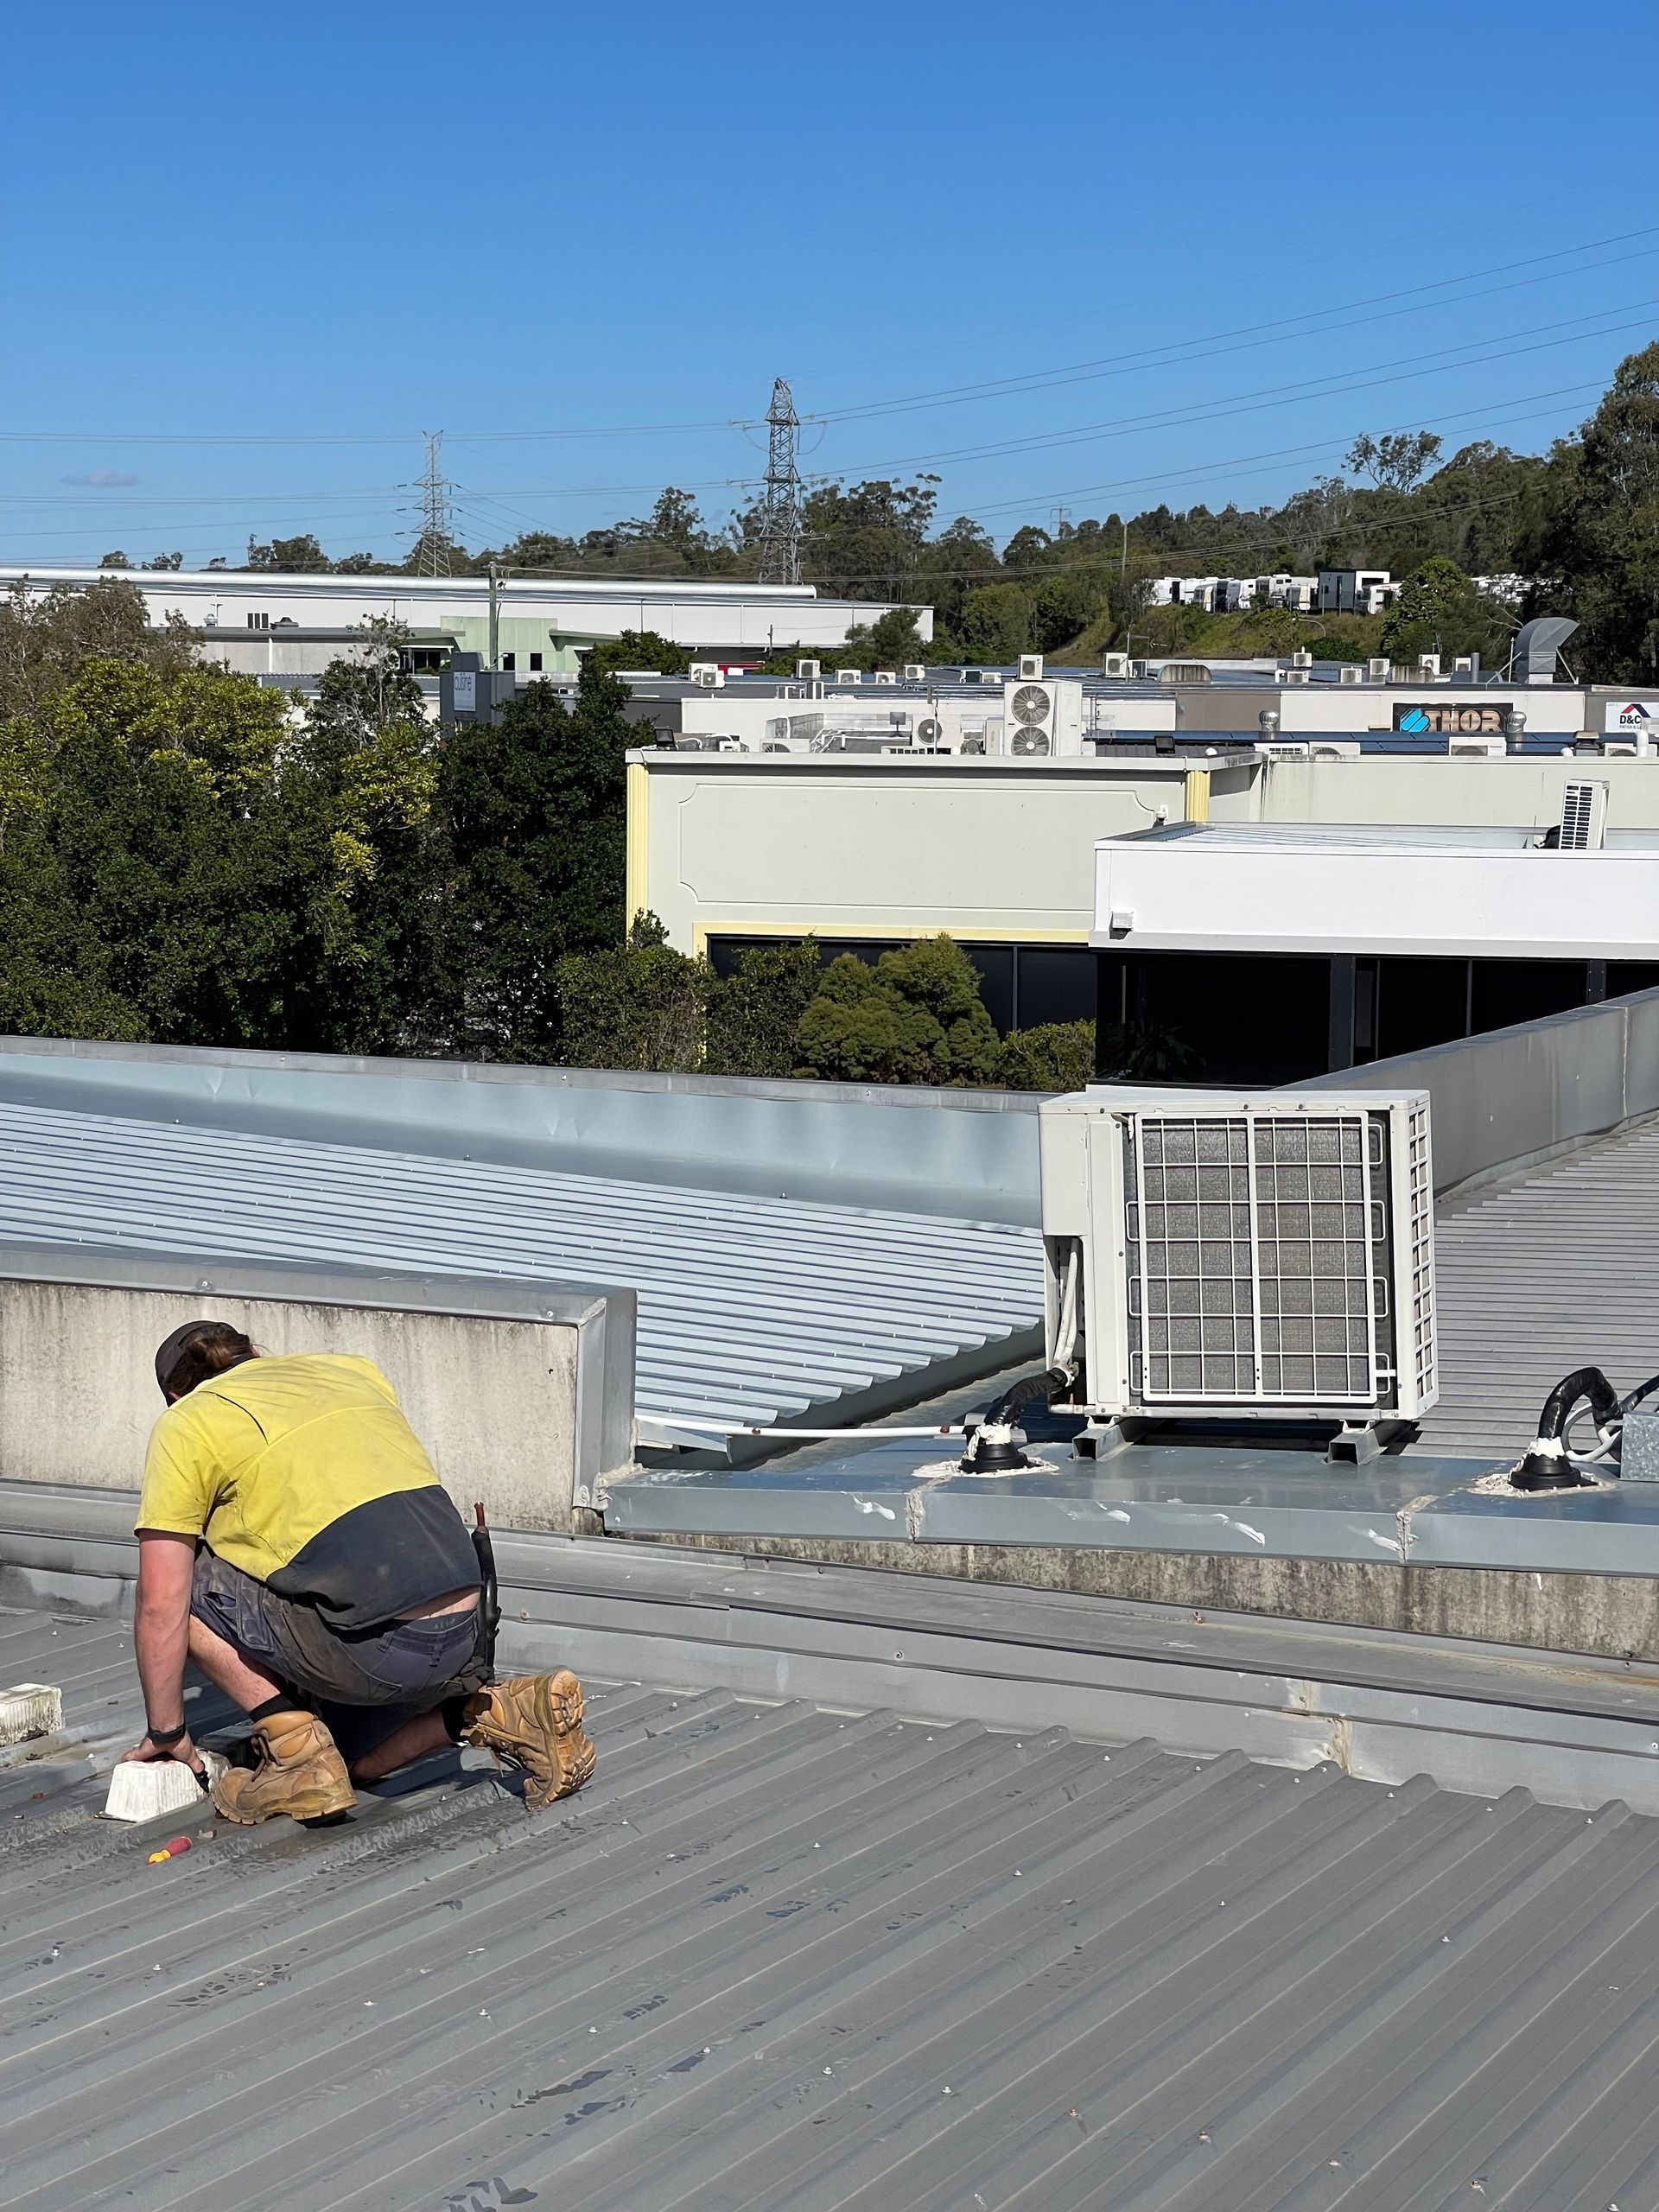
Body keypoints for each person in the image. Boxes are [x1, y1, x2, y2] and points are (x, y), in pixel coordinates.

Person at [122, 1319, 596, 1824]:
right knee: (345, 1766)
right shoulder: (349, 1371)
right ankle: (493, 1713)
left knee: (182, 1579)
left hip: (376, 1651)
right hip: (464, 1632)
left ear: (176, 1394)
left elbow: (160, 1601)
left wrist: (167, 1732)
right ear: (255, 1354)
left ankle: (290, 1744)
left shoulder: (189, 1421)